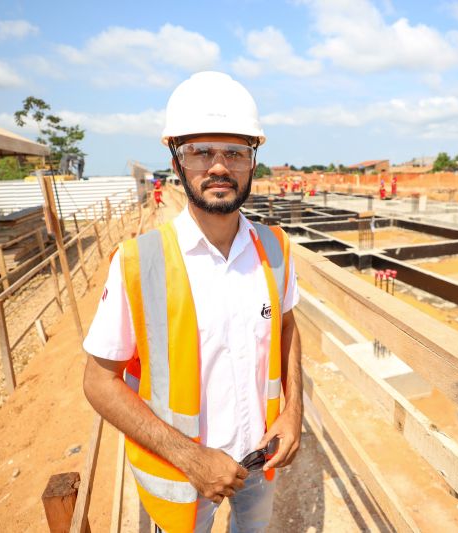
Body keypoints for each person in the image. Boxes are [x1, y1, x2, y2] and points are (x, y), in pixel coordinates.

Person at [82, 71, 303, 533]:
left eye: (235, 153)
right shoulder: (137, 264)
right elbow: (100, 381)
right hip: (183, 478)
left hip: (261, 460)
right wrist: (192, 457)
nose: (219, 167)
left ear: (252, 162)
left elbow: (286, 326)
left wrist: (292, 410)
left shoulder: (275, 248)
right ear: (176, 161)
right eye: (201, 152)